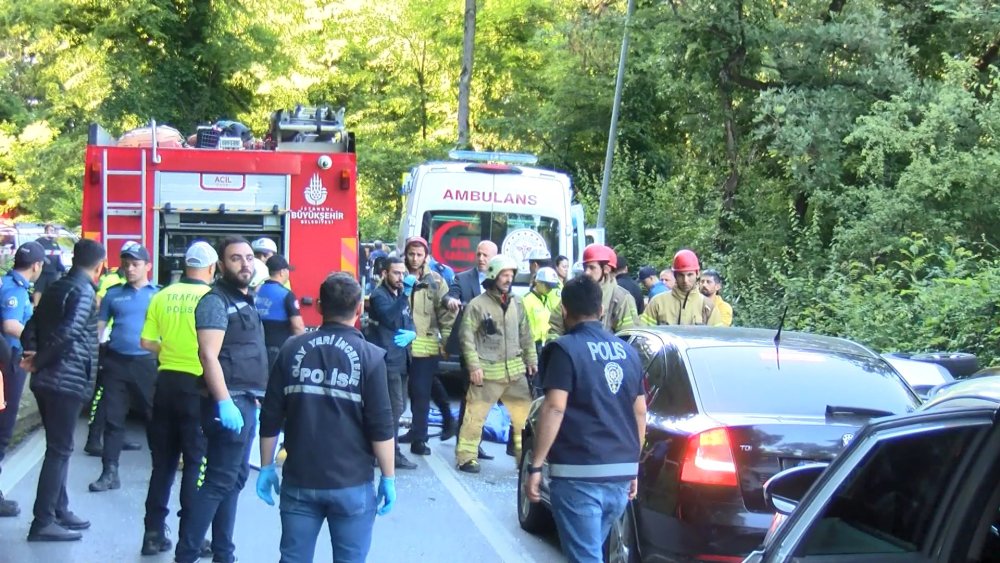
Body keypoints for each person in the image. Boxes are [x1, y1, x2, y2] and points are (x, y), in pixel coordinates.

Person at [257, 273, 397, 562]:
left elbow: (270, 415)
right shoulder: (370, 357)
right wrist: (388, 476)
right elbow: (381, 427)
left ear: (319, 306)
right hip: (352, 483)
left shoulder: (290, 349)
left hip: (299, 480)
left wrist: (266, 466)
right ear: (359, 309)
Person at [525, 276, 646, 563]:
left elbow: (554, 408)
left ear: (564, 311)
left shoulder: (564, 350)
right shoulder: (628, 352)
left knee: (585, 556)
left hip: (579, 475)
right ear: (601, 309)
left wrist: (536, 466)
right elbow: (640, 411)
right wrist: (633, 467)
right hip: (619, 475)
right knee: (589, 553)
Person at [175, 237, 269, 563]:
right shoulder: (216, 301)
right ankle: (186, 554)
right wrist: (224, 401)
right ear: (220, 265)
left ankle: (223, 554)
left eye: (248, 258)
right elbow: (208, 355)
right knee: (218, 481)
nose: (245, 264)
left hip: (246, 400)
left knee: (234, 479)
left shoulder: (245, 298)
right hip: (229, 403)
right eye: (235, 259)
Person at [20, 238, 105, 541]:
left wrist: (30, 352)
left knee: (59, 447)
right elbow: (69, 333)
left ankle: (60, 508)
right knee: (60, 450)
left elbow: (32, 323)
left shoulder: (56, 286)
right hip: (64, 379)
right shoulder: (84, 292)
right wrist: (39, 359)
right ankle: (43, 521)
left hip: (48, 379)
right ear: (99, 266)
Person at [139, 241, 217, 556]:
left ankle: (153, 533)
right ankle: (192, 537)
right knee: (197, 462)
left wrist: (169, 351)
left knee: (163, 465)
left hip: (165, 383)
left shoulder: (161, 295)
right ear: (212, 269)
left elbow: (146, 342)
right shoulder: (211, 298)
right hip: (197, 385)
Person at [455, 254, 536, 474]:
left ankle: (523, 459)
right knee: (475, 417)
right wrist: (474, 367)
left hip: (515, 372)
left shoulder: (517, 302)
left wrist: (531, 360)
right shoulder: (477, 305)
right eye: (504, 275)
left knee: (522, 419)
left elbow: (526, 333)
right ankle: (466, 457)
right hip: (487, 373)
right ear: (493, 276)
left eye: (511, 275)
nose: (509, 279)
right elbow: (466, 338)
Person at [88, 243, 159, 493]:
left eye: (135, 264)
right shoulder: (113, 294)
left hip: (146, 363)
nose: (129, 268)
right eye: (126, 263)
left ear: (147, 266)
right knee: (113, 419)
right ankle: (109, 472)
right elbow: (99, 327)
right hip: (116, 362)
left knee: (154, 418)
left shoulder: (158, 294)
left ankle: (161, 470)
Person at [0, 241, 46, 518]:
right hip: (8, 365)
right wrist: (38, 344)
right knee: (3, 430)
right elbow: (10, 325)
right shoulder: (13, 289)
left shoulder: (10, 284)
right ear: (36, 266)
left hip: (7, 362)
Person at [401, 236, 456, 457]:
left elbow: (445, 313)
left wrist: (447, 341)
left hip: (426, 346)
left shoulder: (435, 281)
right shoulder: (397, 275)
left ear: (426, 256)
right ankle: (425, 427)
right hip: (401, 346)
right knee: (419, 388)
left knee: (420, 392)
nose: (414, 259)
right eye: (411, 254)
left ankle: (420, 439)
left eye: (419, 254)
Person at [443, 240, 497, 460]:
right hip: (469, 347)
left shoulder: (500, 281)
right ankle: (464, 443)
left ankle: (476, 442)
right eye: (479, 254)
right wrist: (451, 301)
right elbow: (450, 294)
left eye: (486, 255)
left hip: (492, 349)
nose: (481, 258)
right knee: (471, 395)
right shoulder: (462, 278)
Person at [366, 257, 419, 470]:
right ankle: (390, 453)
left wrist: (413, 333)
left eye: (402, 273)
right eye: (396, 273)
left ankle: (381, 450)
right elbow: (389, 318)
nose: (400, 277)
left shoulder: (400, 295)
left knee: (398, 407)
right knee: (393, 409)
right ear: (385, 274)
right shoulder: (380, 295)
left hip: (402, 358)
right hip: (388, 360)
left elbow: (407, 319)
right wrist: (404, 295)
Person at [548, 244, 637, 340]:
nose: (586, 272)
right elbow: (555, 327)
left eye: (592, 267)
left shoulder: (621, 297)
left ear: (606, 269)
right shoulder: (574, 291)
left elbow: (627, 336)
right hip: (574, 351)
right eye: (585, 267)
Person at [642, 249, 723, 326]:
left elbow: (717, 338)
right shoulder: (657, 303)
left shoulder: (708, 306)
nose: (685, 280)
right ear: (675, 275)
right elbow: (645, 334)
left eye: (690, 275)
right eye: (681, 275)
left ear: (697, 273)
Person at [254, 254, 306, 368]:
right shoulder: (286, 294)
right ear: (282, 272)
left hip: (256, 349)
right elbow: (298, 326)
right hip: (278, 350)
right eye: (288, 270)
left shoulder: (256, 291)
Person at [523, 267, 561, 355]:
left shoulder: (546, 299)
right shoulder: (527, 300)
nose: (550, 289)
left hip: (545, 343)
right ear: (538, 282)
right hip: (532, 346)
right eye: (548, 286)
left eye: (552, 286)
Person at [31, 224, 66, 306]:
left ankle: (51, 307)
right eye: (51, 230)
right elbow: (35, 252)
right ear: (46, 231)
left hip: (53, 271)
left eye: (53, 230)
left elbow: (58, 255)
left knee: (53, 290)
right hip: (42, 270)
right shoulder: (39, 241)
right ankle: (36, 306)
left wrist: (60, 266)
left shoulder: (54, 243)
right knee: (39, 289)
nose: (52, 232)